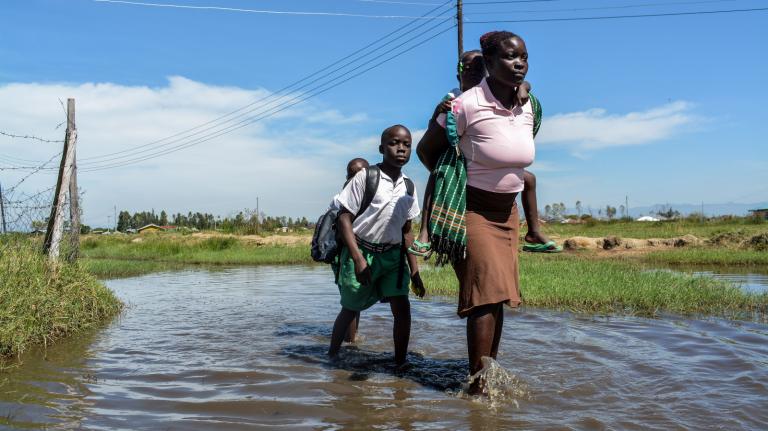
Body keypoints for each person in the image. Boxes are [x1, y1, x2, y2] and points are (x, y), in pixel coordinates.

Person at [416, 31, 537, 389]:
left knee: (497, 295)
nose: (519, 64)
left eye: (524, 58)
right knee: (484, 295)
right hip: (473, 209)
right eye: (511, 58)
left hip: (508, 212)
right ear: (488, 63)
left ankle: (488, 372)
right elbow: (426, 151)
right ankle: (477, 386)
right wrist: (452, 180)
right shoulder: (463, 105)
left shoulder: (529, 105)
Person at [410, 50, 559, 257]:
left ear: (489, 71)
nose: (470, 71)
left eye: (478, 67)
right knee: (439, 175)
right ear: (457, 74)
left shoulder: (499, 97)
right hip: (455, 159)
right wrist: (439, 110)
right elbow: (432, 134)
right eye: (465, 67)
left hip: (490, 176)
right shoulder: (455, 98)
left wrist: (524, 87)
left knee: (530, 179)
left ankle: (534, 232)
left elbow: (525, 84)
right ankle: (425, 232)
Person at [328, 125, 425, 367]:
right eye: (394, 143)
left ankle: (400, 364)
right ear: (382, 148)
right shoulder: (366, 177)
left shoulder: (409, 187)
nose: (401, 148)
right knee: (350, 308)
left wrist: (415, 272)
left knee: (402, 309)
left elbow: (407, 232)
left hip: (392, 257)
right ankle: (331, 358)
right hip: (362, 252)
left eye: (406, 144)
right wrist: (358, 259)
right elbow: (343, 219)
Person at [328, 157, 370, 343]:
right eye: (353, 174)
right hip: (346, 256)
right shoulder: (340, 199)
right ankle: (351, 342)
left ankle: (350, 338)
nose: (357, 178)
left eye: (361, 173)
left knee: (356, 302)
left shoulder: (372, 195)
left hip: (364, 254)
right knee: (352, 302)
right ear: (347, 176)